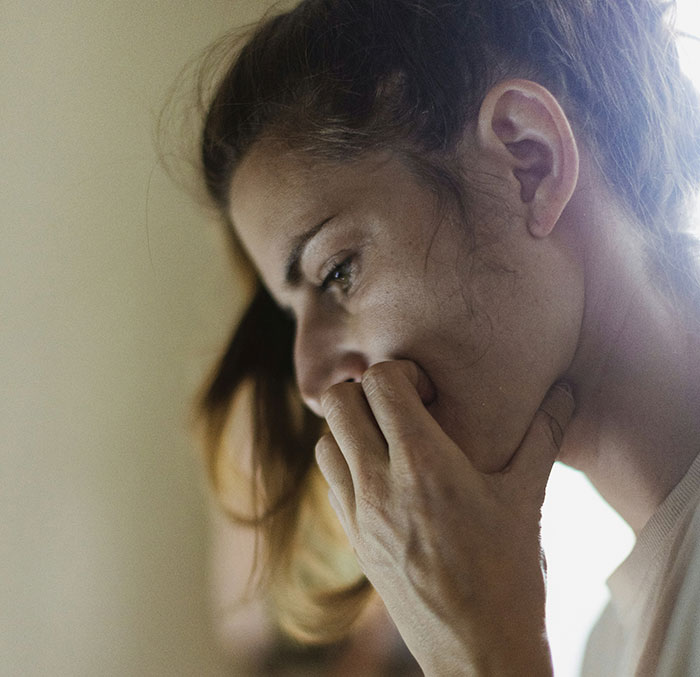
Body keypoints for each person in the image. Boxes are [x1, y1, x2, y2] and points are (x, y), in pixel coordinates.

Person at [190, 0, 700, 674]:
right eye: (294, 315)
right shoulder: (611, 648)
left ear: (528, 162)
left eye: (336, 270)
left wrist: (480, 655)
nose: (311, 379)